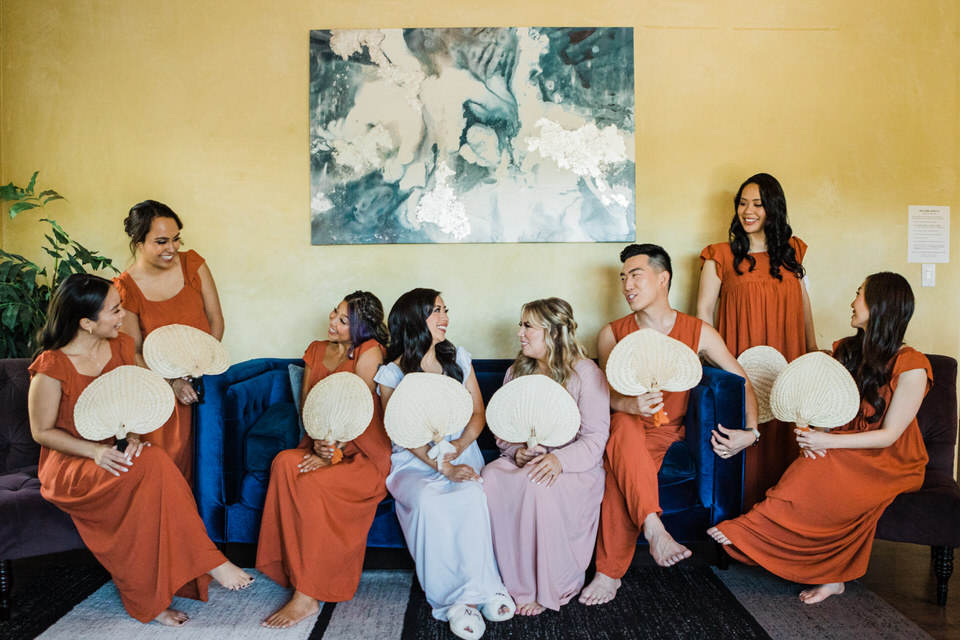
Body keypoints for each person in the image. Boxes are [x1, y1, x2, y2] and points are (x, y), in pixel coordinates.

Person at [28, 274, 252, 626]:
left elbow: (130, 400)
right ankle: (208, 561)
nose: (123, 316)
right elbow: (41, 432)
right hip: (72, 465)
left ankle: (158, 595)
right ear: (86, 323)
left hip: (113, 453)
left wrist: (131, 436)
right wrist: (95, 452)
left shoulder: (121, 346)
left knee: (152, 468)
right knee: (155, 464)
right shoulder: (51, 366)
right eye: (115, 310)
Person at [708, 272, 930, 604]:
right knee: (811, 462)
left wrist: (828, 443)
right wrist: (818, 435)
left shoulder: (912, 365)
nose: (852, 302)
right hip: (846, 446)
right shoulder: (846, 351)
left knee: (824, 462)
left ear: (880, 305)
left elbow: (889, 436)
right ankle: (821, 569)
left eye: (859, 294)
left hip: (891, 460)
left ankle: (755, 531)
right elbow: (829, 411)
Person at [579, 243, 759, 606]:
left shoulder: (698, 331)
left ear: (663, 279)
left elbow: (741, 381)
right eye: (622, 278)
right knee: (623, 427)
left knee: (618, 472)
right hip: (623, 425)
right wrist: (629, 403)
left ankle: (609, 573)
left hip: (668, 432)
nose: (627, 285)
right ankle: (654, 529)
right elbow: (602, 397)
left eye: (635, 275)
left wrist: (752, 432)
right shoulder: (612, 333)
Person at [375, 288, 513, 640]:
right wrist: (442, 467)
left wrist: (458, 447)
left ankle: (487, 589)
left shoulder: (458, 358)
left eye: (444, 309)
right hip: (414, 460)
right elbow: (402, 433)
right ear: (414, 319)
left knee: (472, 494)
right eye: (435, 310)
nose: (445, 317)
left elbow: (478, 413)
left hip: (459, 451)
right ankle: (452, 602)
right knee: (428, 502)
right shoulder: (392, 373)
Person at [256, 291, 393, 629]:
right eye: (335, 313)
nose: (333, 321)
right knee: (284, 463)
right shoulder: (316, 350)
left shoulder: (370, 350)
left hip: (361, 452)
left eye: (344, 320)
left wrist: (332, 454)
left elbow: (357, 411)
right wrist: (319, 447)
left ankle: (307, 595)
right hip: (320, 442)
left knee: (312, 484)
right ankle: (291, 568)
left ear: (361, 328)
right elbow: (309, 408)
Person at [481, 298, 609, 615]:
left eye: (528, 326)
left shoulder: (586, 374)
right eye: (520, 325)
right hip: (525, 461)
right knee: (490, 477)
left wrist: (558, 460)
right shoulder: (516, 372)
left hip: (572, 467)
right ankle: (510, 581)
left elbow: (595, 439)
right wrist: (517, 452)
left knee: (537, 484)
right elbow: (503, 430)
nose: (519, 333)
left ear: (553, 333)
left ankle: (548, 586)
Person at [697, 173, 817, 507]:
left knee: (786, 437)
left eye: (758, 204)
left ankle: (782, 517)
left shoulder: (794, 251)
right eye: (742, 203)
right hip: (740, 362)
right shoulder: (719, 256)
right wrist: (719, 365)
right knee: (746, 439)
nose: (747, 211)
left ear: (773, 208)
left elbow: (804, 306)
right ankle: (742, 521)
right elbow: (703, 314)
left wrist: (811, 353)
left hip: (788, 360)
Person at [115, 200, 224, 483]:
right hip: (160, 395)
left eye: (176, 239)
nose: (172, 248)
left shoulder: (193, 265)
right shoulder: (126, 287)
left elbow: (216, 322)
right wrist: (173, 382)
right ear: (138, 241)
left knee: (210, 472)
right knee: (168, 473)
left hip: (206, 384)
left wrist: (200, 369)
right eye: (161, 241)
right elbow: (134, 352)